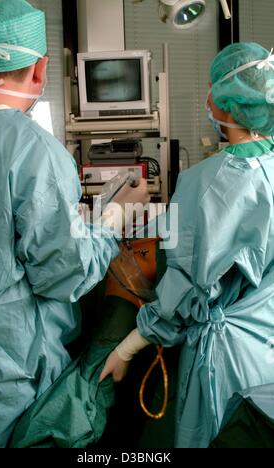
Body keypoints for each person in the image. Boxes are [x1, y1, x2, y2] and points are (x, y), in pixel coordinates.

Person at [0, 0, 149, 448]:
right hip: (2, 367)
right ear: (40, 70)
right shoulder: (33, 150)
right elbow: (64, 274)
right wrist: (112, 219)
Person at [100, 42, 274, 448]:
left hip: (224, 366)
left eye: (213, 88)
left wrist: (127, 349)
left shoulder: (205, 183)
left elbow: (182, 296)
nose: (207, 97)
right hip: (265, 356)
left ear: (229, 105)